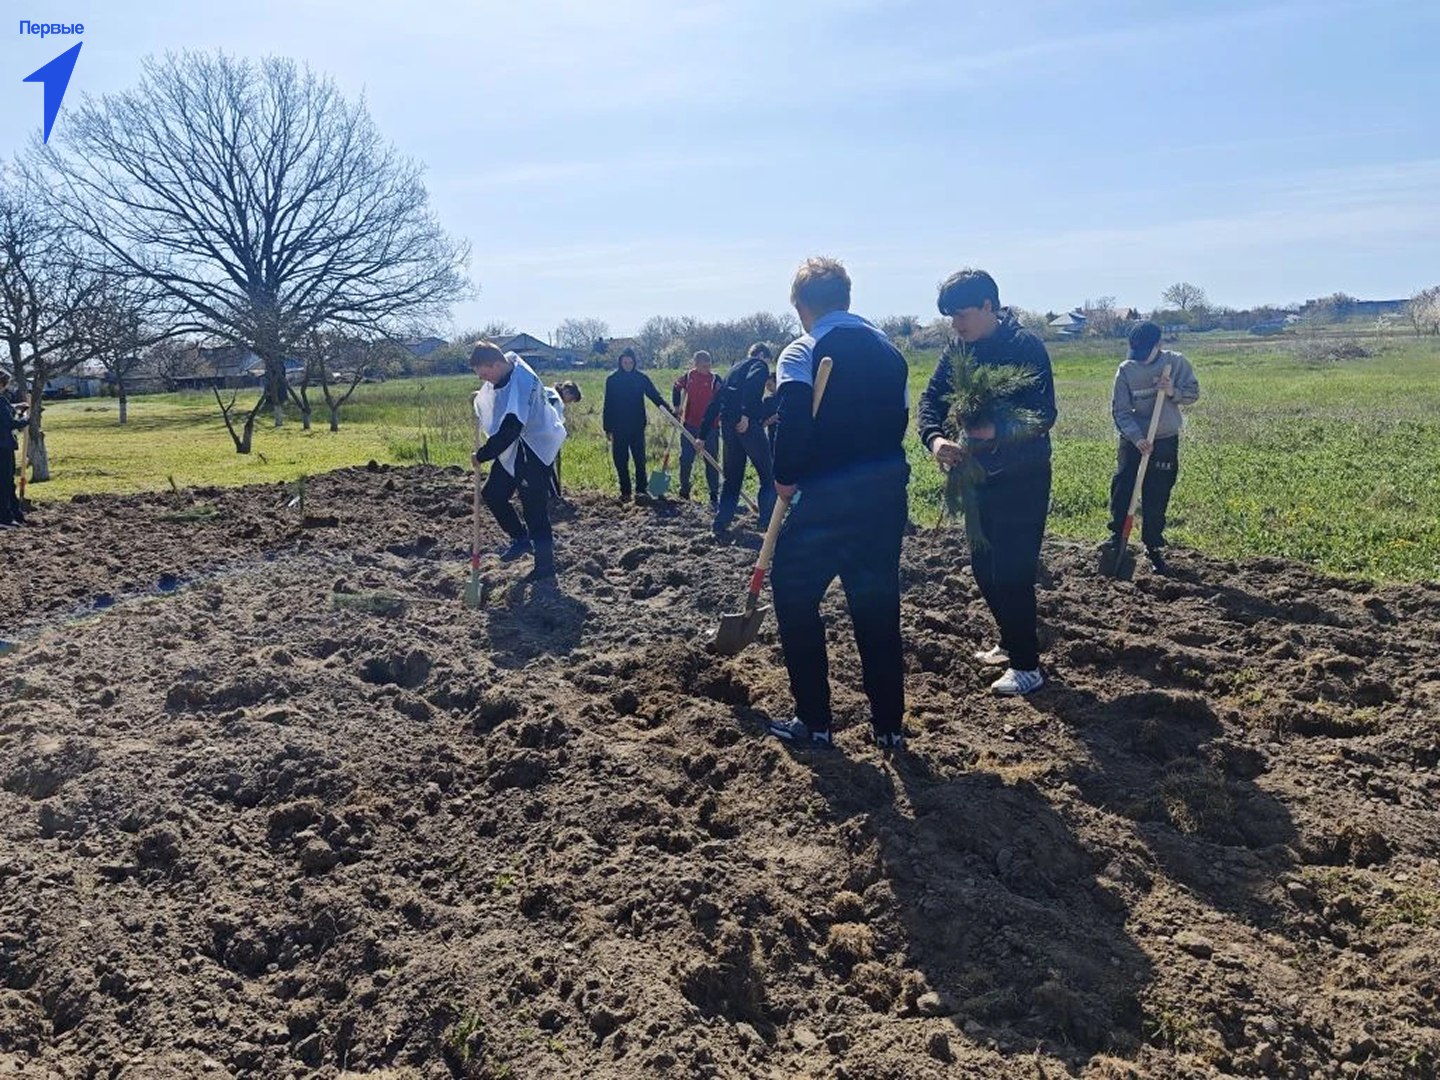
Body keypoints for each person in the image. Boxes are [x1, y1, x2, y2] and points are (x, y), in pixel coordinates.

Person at [765, 257, 911, 750]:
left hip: (825, 499)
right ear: (846, 298)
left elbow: (792, 421)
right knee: (876, 606)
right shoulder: (891, 352)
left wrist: (785, 478)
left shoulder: (802, 349)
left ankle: (815, 720)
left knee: (793, 595)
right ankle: (889, 725)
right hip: (884, 494)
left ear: (801, 306)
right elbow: (900, 422)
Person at [917, 268, 1057, 697]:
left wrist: (994, 432)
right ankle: (1011, 640)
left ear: (988, 307)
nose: (956, 326)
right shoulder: (957, 350)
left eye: (962, 316)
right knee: (983, 568)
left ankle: (1028, 667)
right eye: (951, 319)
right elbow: (930, 400)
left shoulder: (1025, 347)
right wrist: (936, 439)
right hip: (975, 478)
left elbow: (1043, 413)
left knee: (1012, 571)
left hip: (1022, 475)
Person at [1104, 321, 1201, 575]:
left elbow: (1192, 393)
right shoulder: (1126, 371)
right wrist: (1137, 439)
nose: (1139, 358)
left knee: (1157, 491)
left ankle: (1153, 544)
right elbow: (1121, 412)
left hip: (1165, 437)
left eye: (1145, 351)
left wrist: (1172, 391)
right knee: (1124, 484)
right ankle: (1118, 538)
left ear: (1158, 345)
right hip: (1134, 439)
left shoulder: (1175, 363)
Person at [470, 344, 568, 582]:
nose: (485, 380)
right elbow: (495, 399)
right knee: (493, 493)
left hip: (534, 447)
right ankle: (520, 538)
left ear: (495, 364)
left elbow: (511, 428)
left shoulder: (522, 380)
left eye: (484, 374)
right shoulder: (505, 370)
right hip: (515, 447)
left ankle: (545, 566)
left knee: (534, 507)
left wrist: (483, 454)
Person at [700, 342, 775, 536]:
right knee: (768, 475)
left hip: (727, 425)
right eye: (768, 359)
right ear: (761, 355)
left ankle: (721, 523)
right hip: (747, 424)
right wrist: (745, 413)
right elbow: (752, 384)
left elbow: (716, 401)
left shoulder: (732, 370)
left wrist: (702, 434)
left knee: (732, 478)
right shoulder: (759, 365)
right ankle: (765, 521)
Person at [602, 346, 668, 502]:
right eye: (625, 362)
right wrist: (607, 428)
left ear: (634, 363)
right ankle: (625, 491)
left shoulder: (641, 378)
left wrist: (669, 411)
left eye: (630, 362)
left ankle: (641, 490)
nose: (627, 365)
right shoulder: (612, 380)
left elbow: (654, 396)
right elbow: (608, 404)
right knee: (620, 461)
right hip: (618, 427)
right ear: (620, 362)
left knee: (639, 460)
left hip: (637, 426)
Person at [671, 351, 722, 506]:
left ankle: (714, 494)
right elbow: (676, 387)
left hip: (711, 427)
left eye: (709, 365)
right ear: (696, 365)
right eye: (704, 366)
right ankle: (684, 490)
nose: (707, 368)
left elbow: (722, 398)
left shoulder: (715, 380)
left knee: (711, 461)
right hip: (690, 425)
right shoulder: (688, 377)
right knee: (686, 460)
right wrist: (677, 406)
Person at [1, 372, 28, 529]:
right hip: (2, 448)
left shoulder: (3, 402)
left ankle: (13, 514)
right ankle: (4, 518)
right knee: (4, 482)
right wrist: (25, 419)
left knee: (7, 482)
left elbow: (7, 412)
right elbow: (10, 423)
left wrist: (17, 409)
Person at [547, 381, 583, 501]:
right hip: (541, 438)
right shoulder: (555, 399)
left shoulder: (549, 393)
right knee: (545, 467)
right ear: (567, 392)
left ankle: (554, 494)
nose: (569, 402)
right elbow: (554, 423)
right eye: (571, 399)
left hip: (538, 436)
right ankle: (553, 496)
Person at [760, 373, 779, 455]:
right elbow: (762, 424)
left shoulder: (787, 397)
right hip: (773, 436)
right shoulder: (767, 400)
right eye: (766, 385)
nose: (768, 388)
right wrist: (772, 419)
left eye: (770, 385)